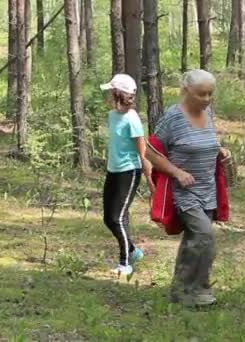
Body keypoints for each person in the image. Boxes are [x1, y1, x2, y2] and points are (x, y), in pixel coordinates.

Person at [146, 69, 230, 306]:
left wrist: (220, 151)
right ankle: (192, 290)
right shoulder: (173, 117)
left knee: (195, 241)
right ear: (186, 90)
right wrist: (176, 172)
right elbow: (150, 151)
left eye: (210, 94)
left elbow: (207, 143)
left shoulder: (209, 113)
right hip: (184, 192)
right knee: (205, 236)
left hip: (208, 189)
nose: (206, 99)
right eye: (201, 94)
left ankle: (187, 291)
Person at [100, 74, 153, 276]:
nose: (106, 96)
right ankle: (133, 251)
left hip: (129, 171)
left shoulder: (132, 119)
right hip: (112, 171)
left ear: (117, 94)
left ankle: (125, 264)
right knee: (108, 218)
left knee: (118, 217)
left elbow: (143, 151)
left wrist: (148, 176)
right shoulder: (112, 116)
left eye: (109, 92)